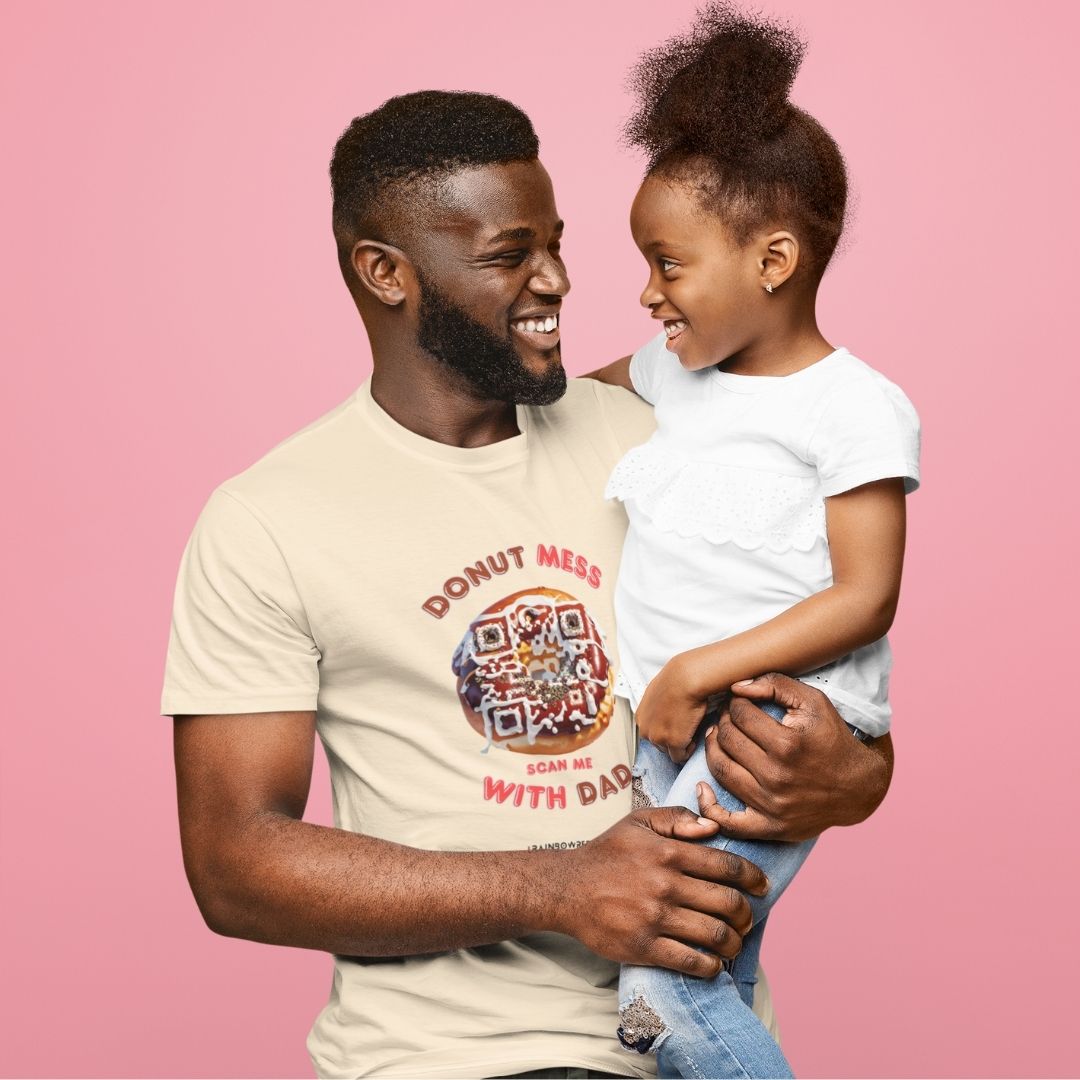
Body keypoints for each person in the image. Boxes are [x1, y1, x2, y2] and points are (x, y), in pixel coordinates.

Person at [161, 89, 895, 1080]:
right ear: (386, 273)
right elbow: (234, 864)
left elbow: (827, 676)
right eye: (511, 254)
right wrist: (558, 890)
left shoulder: (659, 439)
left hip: (698, 1043)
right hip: (443, 1060)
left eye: (556, 244)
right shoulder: (267, 520)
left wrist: (854, 774)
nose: (557, 279)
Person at [584, 5, 920, 1078]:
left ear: (773, 259)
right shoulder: (668, 372)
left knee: (663, 990)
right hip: (666, 732)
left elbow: (866, 597)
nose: (647, 292)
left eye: (668, 264)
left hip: (764, 731)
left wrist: (696, 672)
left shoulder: (852, 407)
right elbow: (565, 398)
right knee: (704, 983)